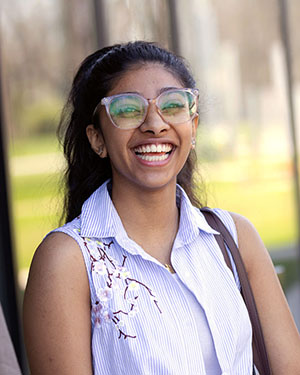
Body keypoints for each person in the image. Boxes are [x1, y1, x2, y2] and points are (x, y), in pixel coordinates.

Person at [23, 41, 300, 375]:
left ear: (193, 127)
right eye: (128, 109)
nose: (155, 124)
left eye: (172, 105)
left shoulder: (235, 239)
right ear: (97, 139)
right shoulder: (68, 261)